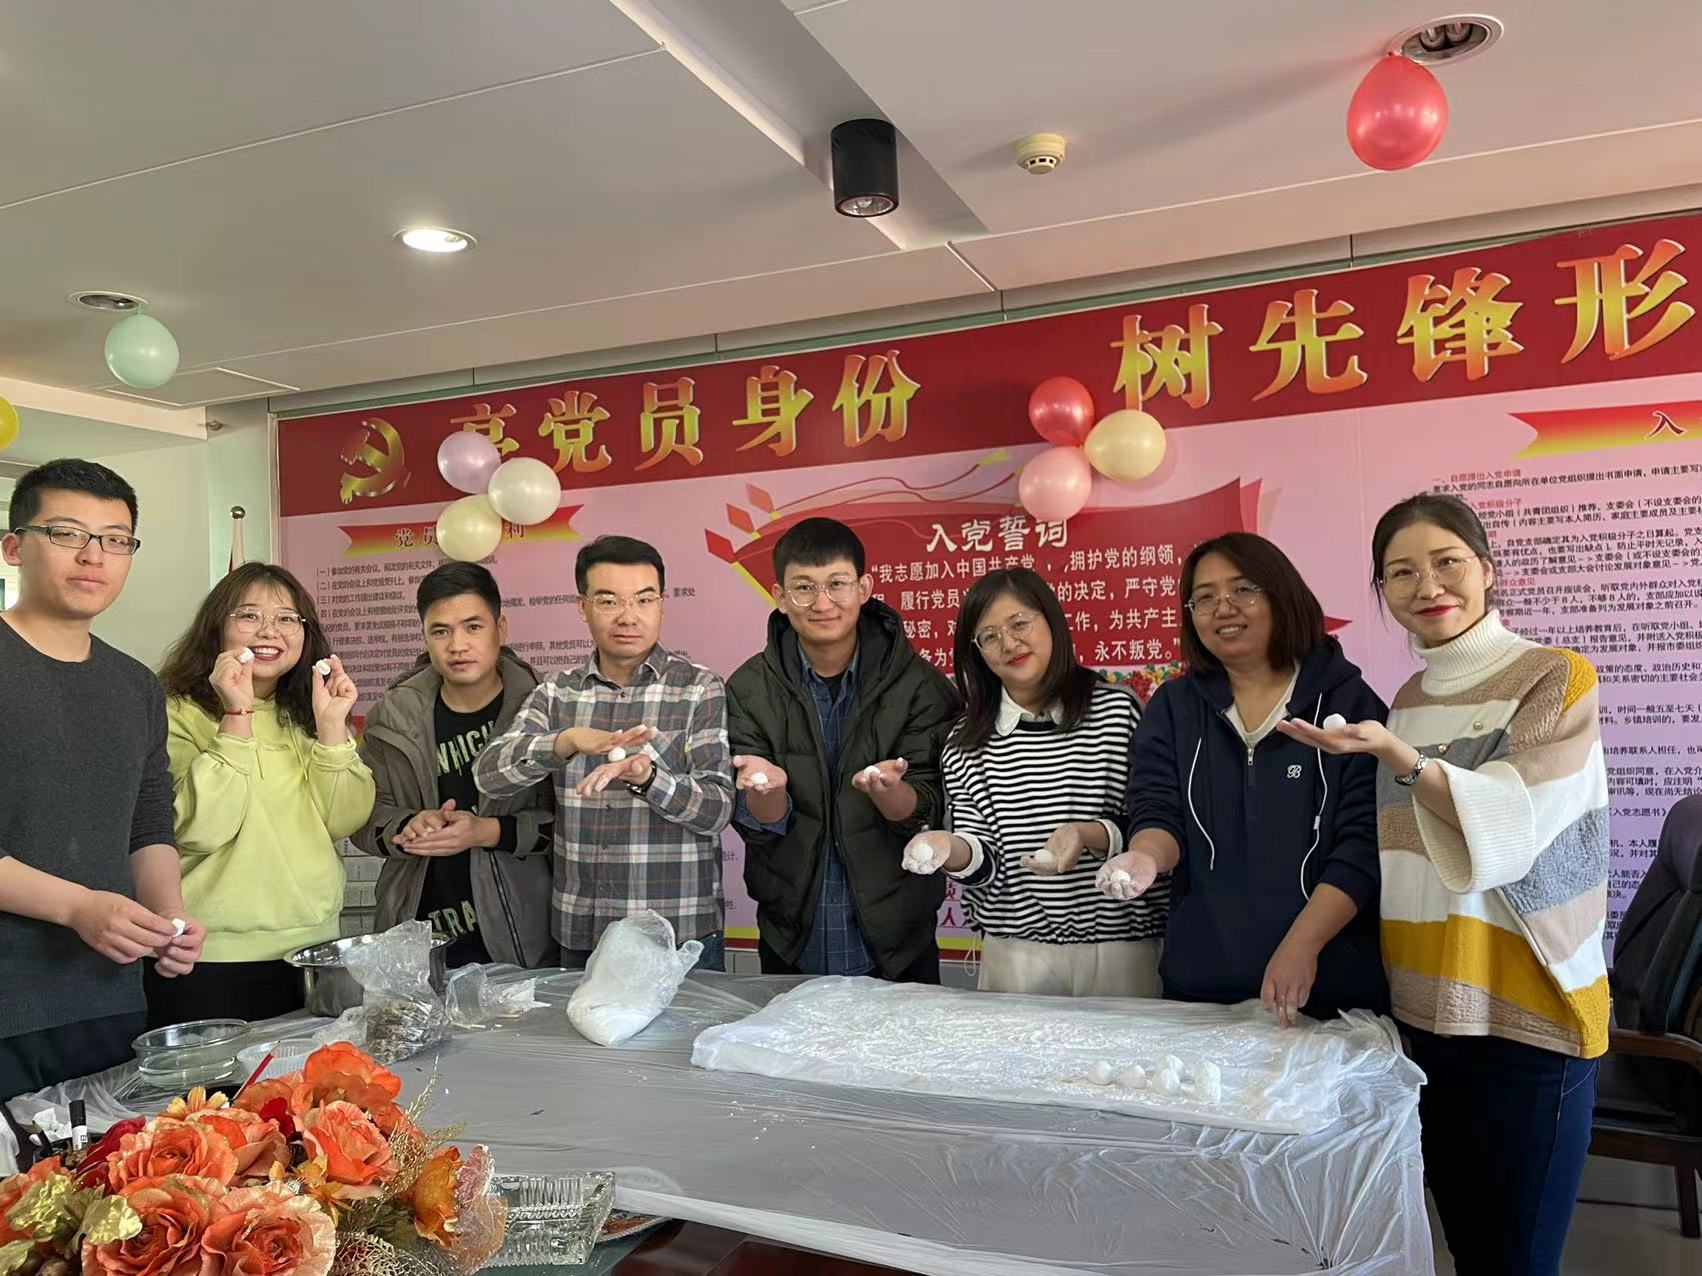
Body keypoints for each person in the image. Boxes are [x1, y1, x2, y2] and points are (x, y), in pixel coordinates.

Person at [1277, 495, 1607, 1276]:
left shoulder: (1554, 676)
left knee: (1518, 1259)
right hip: (1428, 1013)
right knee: (1463, 1243)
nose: (1427, 586)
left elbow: (1519, 824)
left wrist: (1404, 760)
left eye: (1447, 562)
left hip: (1528, 1010)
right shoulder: (1411, 701)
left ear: (1486, 570)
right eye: (1400, 573)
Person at [1098, 532, 1389, 1025]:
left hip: (1328, 984)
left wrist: (1304, 943)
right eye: (1205, 597)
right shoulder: (1174, 707)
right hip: (1201, 984)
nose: (1223, 608)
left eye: (1242, 590)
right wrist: (1145, 858)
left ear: (1281, 594)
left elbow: (1363, 843)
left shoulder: (1349, 703)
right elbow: (1158, 811)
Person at [0, 460, 205, 1098]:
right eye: (66, 533)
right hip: (8, 1005)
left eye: (116, 540)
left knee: (107, 1162)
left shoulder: (135, 685)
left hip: (109, 995)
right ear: (13, 548)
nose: (94, 556)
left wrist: (168, 914)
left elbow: (148, 823)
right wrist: (78, 907)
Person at [476, 536, 733, 970]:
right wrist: (565, 741)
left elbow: (718, 810)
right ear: (583, 607)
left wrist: (649, 778)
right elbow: (489, 776)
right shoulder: (558, 693)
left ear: (661, 605)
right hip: (584, 930)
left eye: (644, 600)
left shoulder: (698, 689)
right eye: (609, 601)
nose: (628, 616)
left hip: (677, 932)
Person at [901, 569, 1162, 996]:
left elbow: (1151, 824)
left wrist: (1088, 834)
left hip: (1121, 949)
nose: (1009, 643)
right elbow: (983, 859)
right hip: (1014, 954)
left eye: (1019, 623)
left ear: (1051, 620)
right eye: (989, 636)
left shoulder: (1116, 711)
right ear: (976, 652)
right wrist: (948, 847)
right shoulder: (966, 740)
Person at [727, 517, 961, 982]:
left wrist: (892, 793)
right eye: (804, 588)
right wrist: (766, 791)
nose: (822, 603)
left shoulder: (920, 686)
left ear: (864, 588)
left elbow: (932, 808)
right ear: (779, 596)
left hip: (898, 940)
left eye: (837, 584)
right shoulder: (748, 688)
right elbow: (757, 823)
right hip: (791, 936)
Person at [151, 563, 374, 1025]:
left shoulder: (309, 713)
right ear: (216, 627)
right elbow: (201, 828)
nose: (269, 631)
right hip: (209, 955)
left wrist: (333, 728)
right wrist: (236, 715)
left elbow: (344, 820)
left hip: (313, 947)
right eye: (249, 615)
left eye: (287, 618)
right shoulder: (174, 712)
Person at [353, 562, 555, 968]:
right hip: (417, 939)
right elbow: (362, 816)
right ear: (425, 636)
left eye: (473, 627)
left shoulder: (545, 711)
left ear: (501, 628)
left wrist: (488, 831)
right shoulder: (392, 717)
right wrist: (408, 824)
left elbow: (573, 825)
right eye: (441, 631)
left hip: (524, 936)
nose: (457, 645)